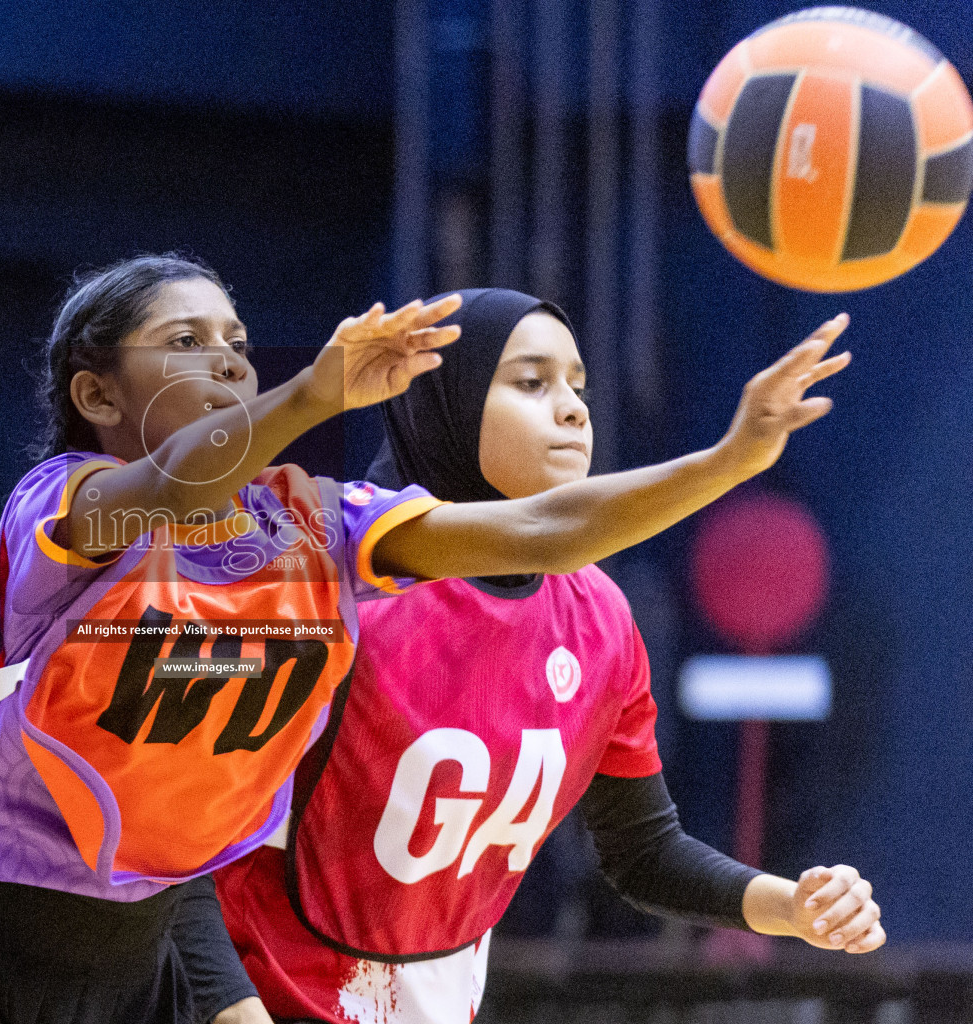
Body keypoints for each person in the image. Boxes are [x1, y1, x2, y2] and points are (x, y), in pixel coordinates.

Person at [0, 255, 850, 1024]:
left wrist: (724, 460)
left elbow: (540, 529)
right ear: (96, 394)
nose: (225, 360)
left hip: (134, 961)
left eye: (238, 345)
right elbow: (170, 484)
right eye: (184, 342)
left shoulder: (316, 525)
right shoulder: (64, 510)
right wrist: (310, 394)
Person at [214, 289, 883, 1023]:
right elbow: (171, 855)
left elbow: (643, 850)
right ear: (449, 403)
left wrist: (790, 906)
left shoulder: (599, 617)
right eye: (532, 383)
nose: (572, 409)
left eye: (578, 386)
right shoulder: (330, 583)